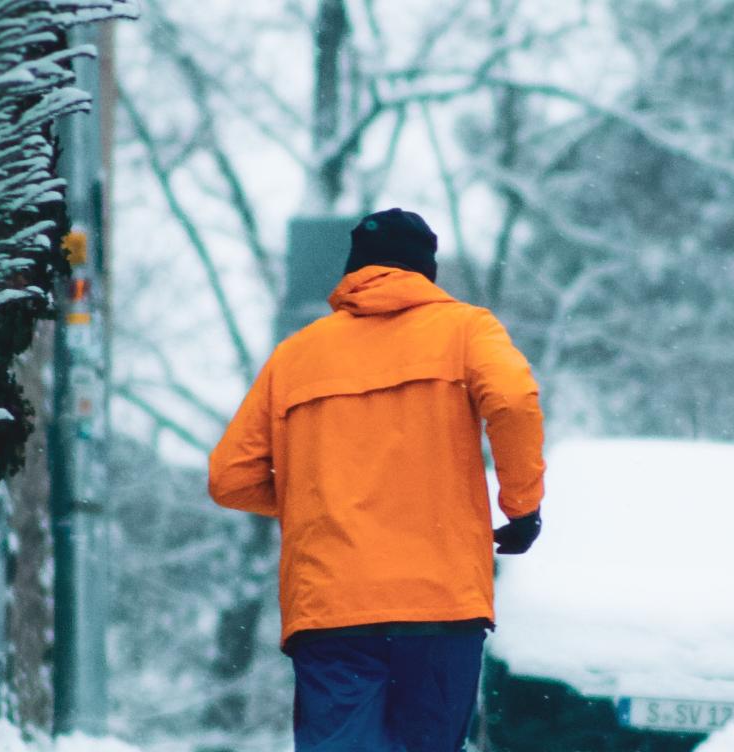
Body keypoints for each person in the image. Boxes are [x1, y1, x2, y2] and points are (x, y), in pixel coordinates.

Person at [208, 207, 545, 752]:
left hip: (333, 606)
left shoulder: (295, 356)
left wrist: (322, 499)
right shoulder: (466, 330)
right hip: (441, 604)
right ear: (425, 273)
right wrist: (522, 507)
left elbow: (229, 477)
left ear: (353, 269)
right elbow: (511, 399)